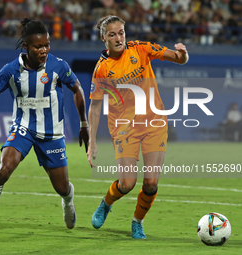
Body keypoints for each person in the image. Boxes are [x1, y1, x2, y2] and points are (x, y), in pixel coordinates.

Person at [0, 18, 89, 234]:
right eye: (38, 46)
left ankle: (68, 201)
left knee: (62, 188)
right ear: (26, 47)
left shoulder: (58, 66)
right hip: (23, 128)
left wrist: (84, 123)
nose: (44, 50)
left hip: (52, 134)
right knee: (3, 170)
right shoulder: (10, 70)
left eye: (46, 45)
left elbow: (77, 89)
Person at [87, 15, 188, 239]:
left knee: (151, 183)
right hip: (124, 127)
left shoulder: (141, 49)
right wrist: (92, 142)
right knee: (127, 183)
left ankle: (137, 222)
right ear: (103, 38)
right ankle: (106, 203)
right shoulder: (102, 69)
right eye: (112, 34)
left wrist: (183, 54)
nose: (118, 38)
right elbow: (94, 108)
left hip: (154, 122)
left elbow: (178, 59)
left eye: (121, 32)